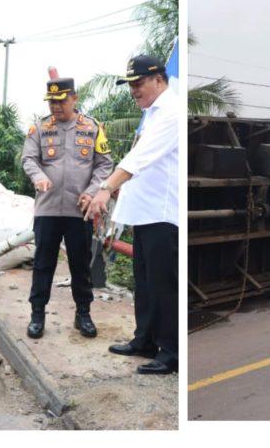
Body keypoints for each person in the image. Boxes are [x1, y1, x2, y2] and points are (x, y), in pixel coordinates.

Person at [87, 55, 178, 375]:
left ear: (158, 79)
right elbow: (135, 158)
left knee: (163, 284)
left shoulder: (171, 111)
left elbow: (140, 157)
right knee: (145, 281)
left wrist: (105, 189)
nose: (133, 91)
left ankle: (170, 351)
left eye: (138, 84)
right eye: (130, 86)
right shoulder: (154, 113)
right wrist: (110, 189)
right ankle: (145, 340)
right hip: (144, 212)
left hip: (162, 214)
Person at [21, 78, 113, 340]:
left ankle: (83, 313)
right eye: (51, 101)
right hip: (47, 209)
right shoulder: (39, 128)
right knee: (43, 264)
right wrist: (38, 176)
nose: (56, 106)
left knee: (80, 264)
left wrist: (92, 191)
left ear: (74, 98)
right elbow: (28, 158)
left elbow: (104, 165)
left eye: (61, 100)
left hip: (79, 210)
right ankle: (37, 314)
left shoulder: (92, 128)